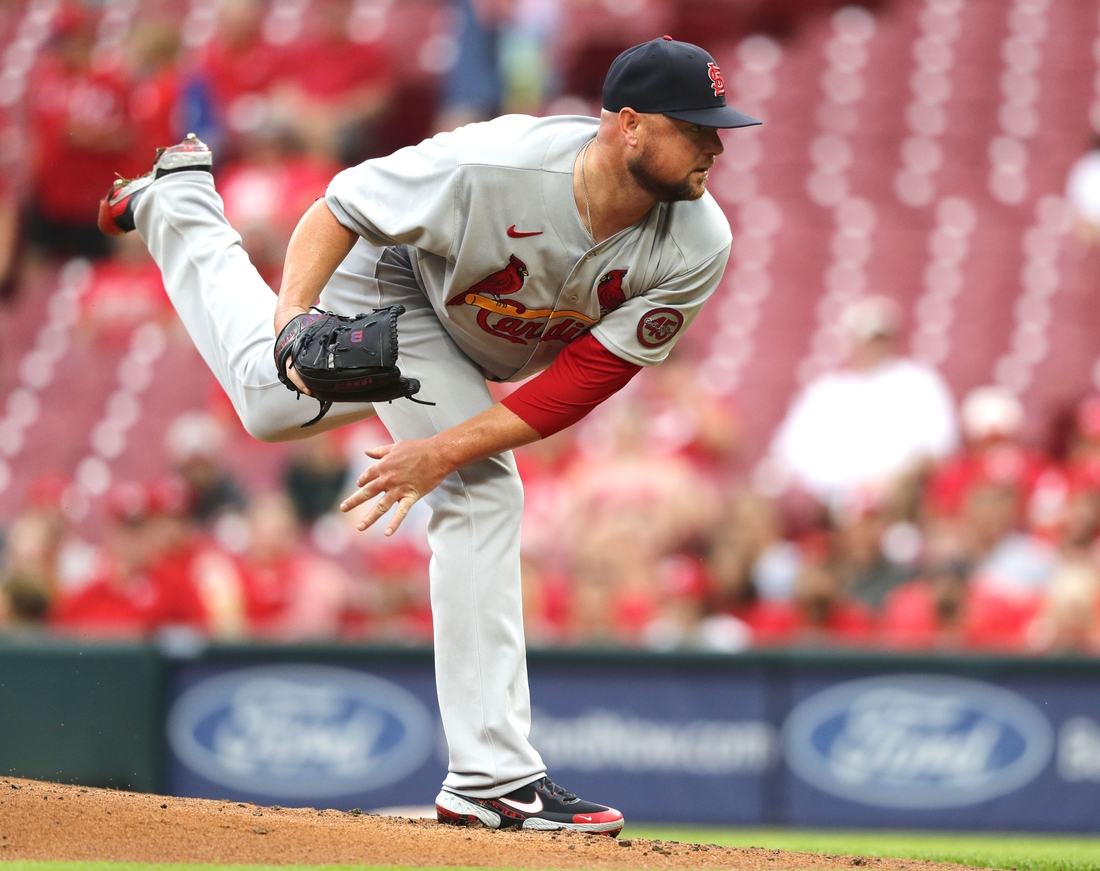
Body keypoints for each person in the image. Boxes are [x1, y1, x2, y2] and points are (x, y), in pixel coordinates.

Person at [97, 36, 758, 835]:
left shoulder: (698, 241)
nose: (716, 146)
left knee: (268, 406)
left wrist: (437, 449)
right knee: (483, 494)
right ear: (630, 126)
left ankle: (177, 204)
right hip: (393, 276)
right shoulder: (495, 165)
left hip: (473, 339)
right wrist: (297, 321)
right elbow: (338, 205)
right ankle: (493, 777)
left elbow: (583, 381)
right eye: (697, 127)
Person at [768, 295, 959, 507]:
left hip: (896, 502)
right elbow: (788, 453)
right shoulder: (825, 390)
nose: (873, 347)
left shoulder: (919, 381)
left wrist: (891, 487)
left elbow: (939, 449)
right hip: (824, 503)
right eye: (867, 338)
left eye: (880, 338)